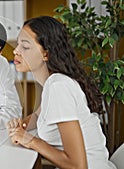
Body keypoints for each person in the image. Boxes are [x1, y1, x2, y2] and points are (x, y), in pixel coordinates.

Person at [7, 16, 116, 169]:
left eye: (25, 47)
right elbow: (39, 115)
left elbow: (78, 166)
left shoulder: (59, 87)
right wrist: (21, 126)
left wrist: (30, 140)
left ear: (46, 54)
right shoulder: (52, 83)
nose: (15, 50)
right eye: (18, 44)